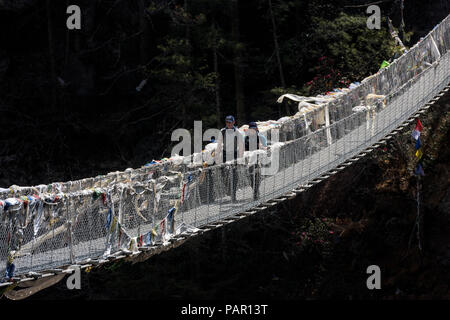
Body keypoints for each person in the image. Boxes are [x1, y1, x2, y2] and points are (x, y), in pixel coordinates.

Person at [215, 115, 244, 202]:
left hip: (234, 154)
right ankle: (228, 190)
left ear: (234, 122)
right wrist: (217, 154)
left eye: (230, 122)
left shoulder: (237, 132)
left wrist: (241, 156)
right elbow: (219, 144)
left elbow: (241, 145)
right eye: (227, 122)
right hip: (225, 154)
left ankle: (233, 194)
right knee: (224, 173)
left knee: (234, 175)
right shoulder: (223, 131)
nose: (229, 124)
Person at [244, 121, 267, 200]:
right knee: (251, 177)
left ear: (256, 129)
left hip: (259, 160)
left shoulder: (261, 137)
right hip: (250, 161)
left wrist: (263, 148)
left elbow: (264, 147)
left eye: (254, 129)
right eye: (251, 129)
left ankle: (256, 192)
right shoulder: (246, 138)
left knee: (257, 176)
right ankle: (255, 191)